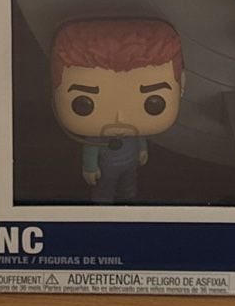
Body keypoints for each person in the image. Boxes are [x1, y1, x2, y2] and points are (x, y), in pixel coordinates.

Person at [49, 18, 184, 204]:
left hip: (130, 164)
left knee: (129, 183)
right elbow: (90, 150)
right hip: (107, 168)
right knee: (105, 187)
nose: (119, 117)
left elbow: (139, 136)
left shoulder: (134, 131)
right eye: (83, 104)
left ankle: (128, 198)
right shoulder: (95, 136)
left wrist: (142, 149)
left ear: (181, 85)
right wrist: (90, 168)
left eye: (153, 103)